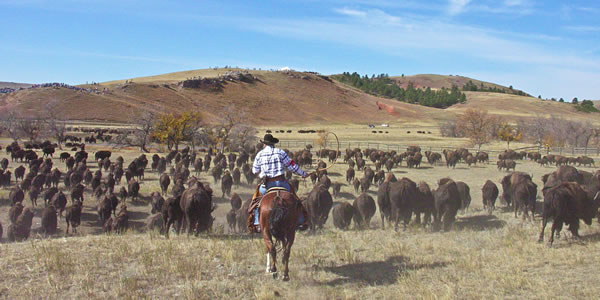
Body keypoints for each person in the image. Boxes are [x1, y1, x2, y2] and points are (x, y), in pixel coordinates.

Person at [248, 134, 310, 233]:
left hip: (267, 184)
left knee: (256, 200)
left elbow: (255, 170)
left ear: (264, 144)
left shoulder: (260, 154)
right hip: (282, 183)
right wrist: (303, 173)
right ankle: (301, 219)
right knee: (295, 198)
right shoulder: (280, 152)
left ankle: (256, 223)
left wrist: (261, 173)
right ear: (273, 144)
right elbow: (292, 166)